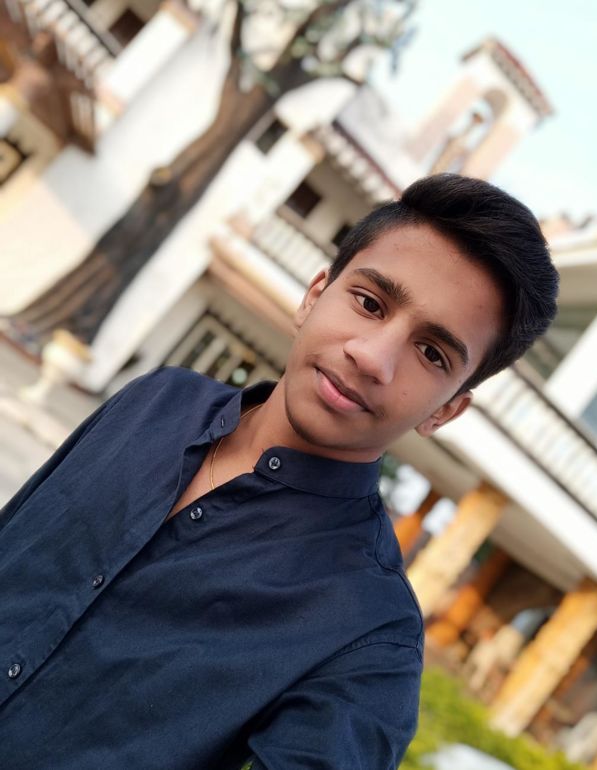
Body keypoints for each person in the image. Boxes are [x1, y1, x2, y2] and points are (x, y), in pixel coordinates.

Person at [0, 174, 558, 769]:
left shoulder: (368, 638)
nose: (371, 357)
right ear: (314, 295)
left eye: (431, 353)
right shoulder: (158, 400)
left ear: (445, 410)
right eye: (370, 303)